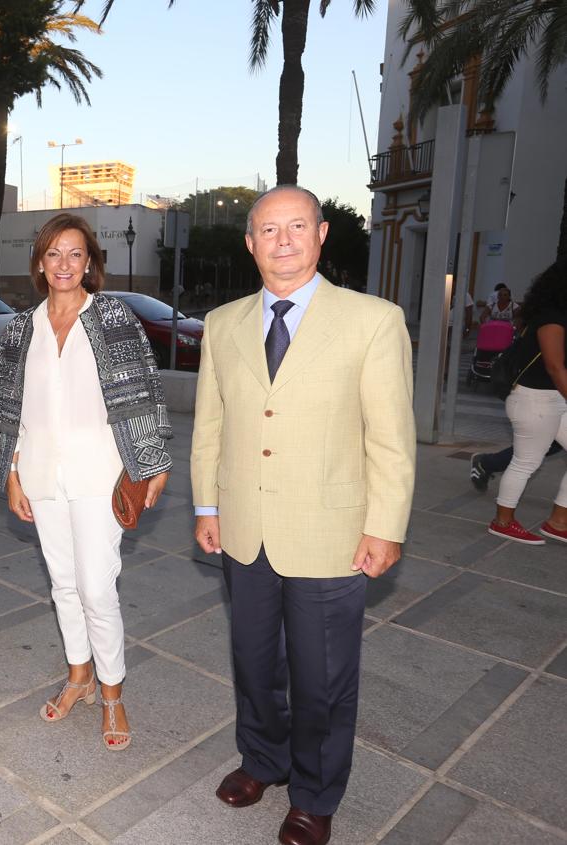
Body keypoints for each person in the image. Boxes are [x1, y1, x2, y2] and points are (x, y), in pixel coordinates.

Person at [191, 186, 416, 845]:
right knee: (254, 661)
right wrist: (208, 504)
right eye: (268, 229)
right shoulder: (224, 323)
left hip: (331, 532)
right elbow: (211, 424)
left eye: (296, 226)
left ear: (321, 235)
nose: (282, 239)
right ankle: (263, 758)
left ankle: (316, 793)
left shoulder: (372, 320)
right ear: (250, 243)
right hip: (244, 530)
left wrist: (385, 525)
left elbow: (391, 438)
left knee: (323, 677)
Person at [0, 213, 171, 751]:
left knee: (95, 586)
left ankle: (112, 693)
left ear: (90, 263)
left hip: (100, 473)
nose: (64, 264)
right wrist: (12, 474)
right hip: (40, 472)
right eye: (54, 254)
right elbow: (8, 405)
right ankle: (79, 676)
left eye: (75, 254)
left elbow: (144, 391)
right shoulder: (22, 326)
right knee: (62, 584)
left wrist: (152, 462)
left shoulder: (112, 316)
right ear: (40, 263)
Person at [485, 263, 567, 545]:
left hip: (551, 399)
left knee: (526, 461)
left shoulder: (555, 316)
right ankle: (502, 522)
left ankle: (558, 522)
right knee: (525, 463)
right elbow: (556, 367)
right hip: (534, 400)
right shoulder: (551, 319)